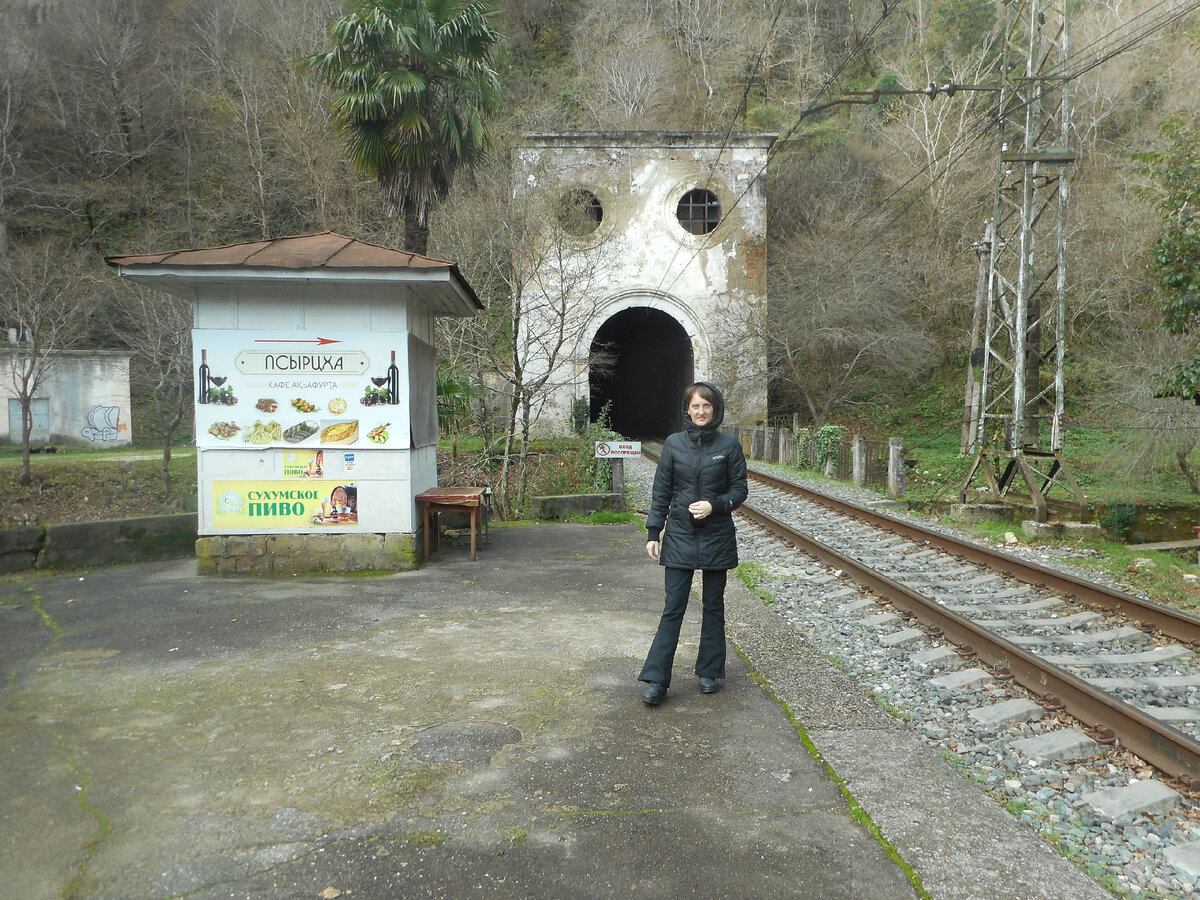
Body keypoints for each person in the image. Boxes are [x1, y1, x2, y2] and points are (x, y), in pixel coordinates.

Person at [639, 382, 748, 706]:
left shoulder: (729, 446)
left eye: (706, 406)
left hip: (717, 535)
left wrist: (714, 505)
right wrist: (652, 532)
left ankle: (709, 671)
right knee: (673, 608)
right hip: (680, 535)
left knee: (714, 607)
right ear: (686, 410)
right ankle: (657, 679)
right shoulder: (673, 445)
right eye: (695, 406)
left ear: (715, 410)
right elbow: (661, 493)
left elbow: (739, 490)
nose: (701, 412)